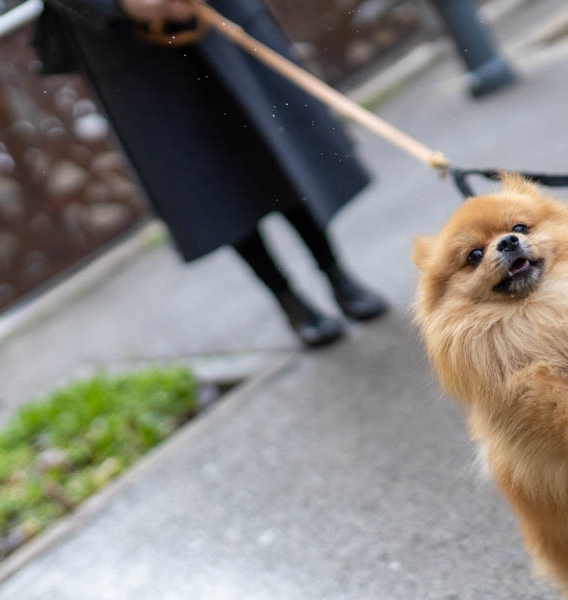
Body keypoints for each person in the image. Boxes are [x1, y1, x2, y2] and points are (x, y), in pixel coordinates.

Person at [33, 0, 387, 347]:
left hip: (220, 12)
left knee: (274, 141)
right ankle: (286, 297)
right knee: (203, 172)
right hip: (126, 44)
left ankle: (335, 272)